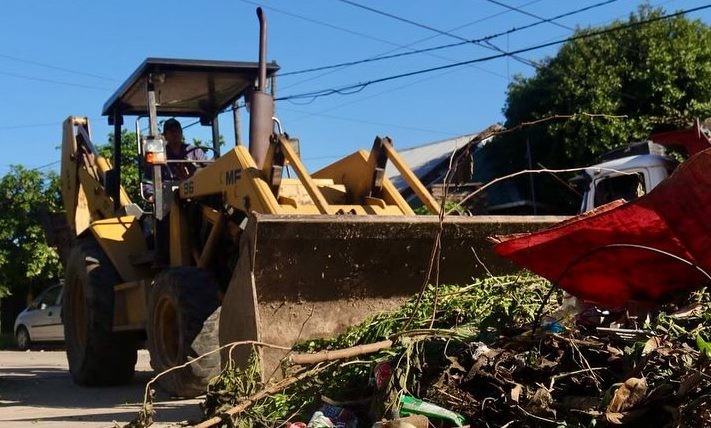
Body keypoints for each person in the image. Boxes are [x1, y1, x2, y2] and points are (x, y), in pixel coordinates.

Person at [142, 118, 207, 202]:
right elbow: (148, 180)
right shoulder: (158, 155)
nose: (175, 133)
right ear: (165, 136)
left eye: (178, 130)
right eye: (172, 131)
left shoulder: (195, 152)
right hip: (167, 201)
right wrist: (151, 196)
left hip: (195, 197)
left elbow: (207, 172)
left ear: (181, 133)